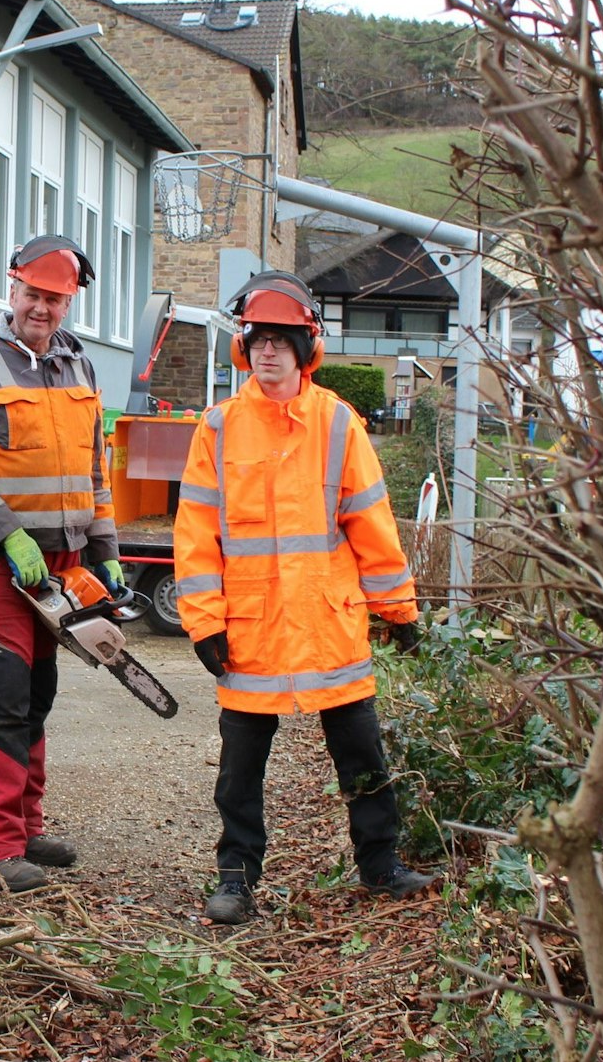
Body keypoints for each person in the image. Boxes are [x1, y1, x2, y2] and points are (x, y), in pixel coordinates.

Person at [172, 270, 436, 925]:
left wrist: (398, 608)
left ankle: (381, 865)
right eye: (259, 339)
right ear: (246, 346)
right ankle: (235, 879)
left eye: (281, 341)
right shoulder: (219, 428)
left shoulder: (338, 425)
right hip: (251, 632)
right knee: (239, 776)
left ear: (303, 349)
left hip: (329, 629)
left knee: (363, 759)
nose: (268, 352)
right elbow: (196, 535)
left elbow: (372, 524)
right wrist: (204, 622)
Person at [0, 235, 123, 893]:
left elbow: (97, 471)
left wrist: (108, 549)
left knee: (38, 697)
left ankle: (25, 823)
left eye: (55, 299)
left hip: (66, 564)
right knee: (4, 700)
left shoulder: (82, 368)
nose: (41, 308)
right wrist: (5, 530)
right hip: (0, 565)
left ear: (67, 302)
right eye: (33, 295)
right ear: (11, 290)